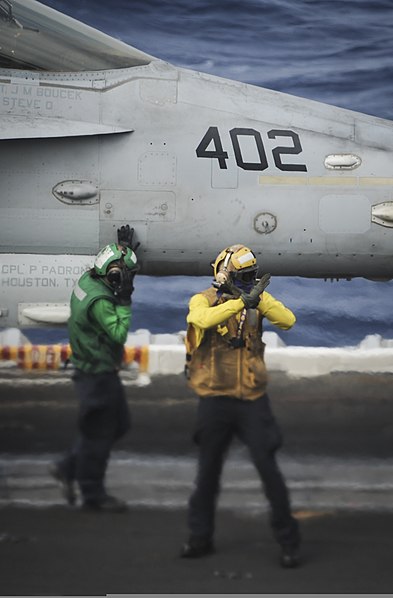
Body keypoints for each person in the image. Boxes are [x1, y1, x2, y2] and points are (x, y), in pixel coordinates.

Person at [181, 244, 301, 567]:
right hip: (214, 399)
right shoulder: (203, 299)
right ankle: (199, 538)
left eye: (250, 277)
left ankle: (289, 543)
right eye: (242, 277)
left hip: (251, 400)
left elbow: (288, 320)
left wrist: (256, 299)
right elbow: (200, 320)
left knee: (269, 472)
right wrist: (237, 302)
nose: (247, 281)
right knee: (207, 474)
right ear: (224, 274)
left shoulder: (257, 300)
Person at [50, 225, 140, 512]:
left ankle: (68, 466)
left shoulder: (91, 279)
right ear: (114, 275)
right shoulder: (101, 301)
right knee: (100, 434)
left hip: (93, 369)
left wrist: (121, 250)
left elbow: (111, 265)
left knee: (117, 425)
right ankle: (93, 494)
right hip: (97, 374)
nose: (129, 280)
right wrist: (124, 300)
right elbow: (118, 333)